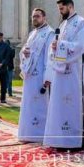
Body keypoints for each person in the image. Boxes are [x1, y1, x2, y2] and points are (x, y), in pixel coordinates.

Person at [43, 0, 84, 149]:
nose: (60, 11)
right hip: (60, 72)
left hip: (73, 72)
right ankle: (60, 139)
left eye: (62, 8)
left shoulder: (81, 23)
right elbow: (60, 46)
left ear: (70, 6)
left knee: (72, 104)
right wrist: (55, 46)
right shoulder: (63, 24)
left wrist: (61, 45)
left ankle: (73, 140)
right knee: (59, 105)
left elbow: (81, 46)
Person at [19, 8, 56, 143]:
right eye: (33, 16)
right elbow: (26, 50)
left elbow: (50, 56)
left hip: (41, 76)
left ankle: (41, 134)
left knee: (41, 105)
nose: (34, 19)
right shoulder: (32, 33)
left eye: (37, 16)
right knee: (29, 105)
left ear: (44, 17)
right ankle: (28, 133)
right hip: (29, 75)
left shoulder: (49, 33)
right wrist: (25, 52)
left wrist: (48, 77)